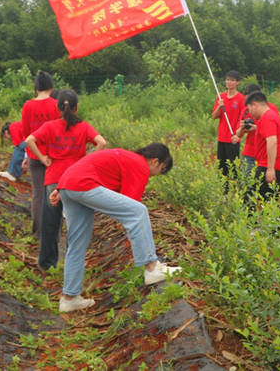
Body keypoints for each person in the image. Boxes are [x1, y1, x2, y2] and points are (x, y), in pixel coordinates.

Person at [51, 143, 181, 312]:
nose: (157, 174)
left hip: (68, 184)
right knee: (139, 212)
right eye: (162, 169)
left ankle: (69, 298)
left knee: (77, 243)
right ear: (155, 162)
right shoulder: (140, 165)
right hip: (81, 184)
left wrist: (62, 188)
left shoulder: (127, 157)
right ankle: (152, 267)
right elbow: (133, 209)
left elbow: (87, 166)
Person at [25, 90, 106, 274]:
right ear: (77, 107)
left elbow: (29, 140)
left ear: (57, 107)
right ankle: (72, 264)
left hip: (54, 178)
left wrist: (42, 157)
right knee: (76, 223)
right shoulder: (84, 127)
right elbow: (101, 142)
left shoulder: (50, 126)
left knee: (50, 223)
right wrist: (88, 162)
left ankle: (47, 264)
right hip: (77, 179)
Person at [21, 71, 60, 236]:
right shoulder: (56, 105)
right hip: (53, 157)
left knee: (38, 193)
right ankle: (54, 233)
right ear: (51, 88)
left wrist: (27, 154)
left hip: (35, 155)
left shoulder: (28, 106)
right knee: (54, 194)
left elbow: (25, 132)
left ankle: (37, 233)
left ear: (35, 88)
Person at [245, 91, 280, 202]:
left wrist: (270, 169)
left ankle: (251, 219)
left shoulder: (267, 117)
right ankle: (275, 219)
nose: (250, 114)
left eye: (249, 109)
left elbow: (272, 141)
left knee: (248, 199)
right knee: (269, 201)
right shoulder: (271, 116)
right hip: (278, 165)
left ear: (255, 105)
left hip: (272, 165)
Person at [232, 84, 280, 178]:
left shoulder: (270, 109)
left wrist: (257, 128)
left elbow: (275, 131)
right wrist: (242, 127)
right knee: (247, 180)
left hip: (264, 151)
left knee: (261, 181)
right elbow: (239, 135)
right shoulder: (246, 110)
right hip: (249, 151)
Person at [212, 71, 245, 187]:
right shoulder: (221, 97)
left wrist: (238, 135)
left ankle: (237, 191)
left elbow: (243, 119)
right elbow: (215, 116)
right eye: (227, 79)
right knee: (222, 167)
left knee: (234, 167)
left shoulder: (241, 99)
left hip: (233, 138)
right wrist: (220, 106)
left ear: (237, 82)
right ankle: (224, 193)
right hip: (222, 137)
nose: (229, 82)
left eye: (232, 80)